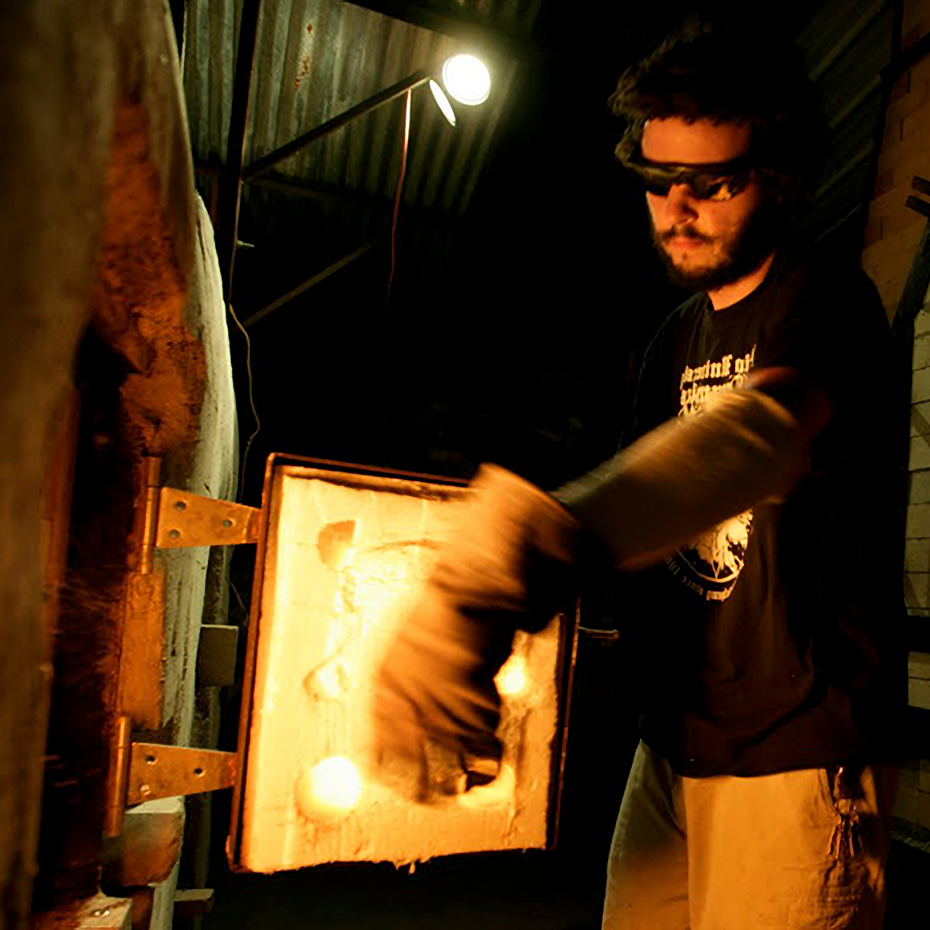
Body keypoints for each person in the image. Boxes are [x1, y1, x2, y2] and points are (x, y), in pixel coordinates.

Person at [374, 25, 906, 930]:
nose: (677, 208)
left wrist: (528, 546)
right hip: (674, 741)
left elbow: (758, 435)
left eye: (711, 183)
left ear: (774, 176)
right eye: (659, 182)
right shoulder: (672, 342)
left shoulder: (826, 301)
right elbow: (649, 528)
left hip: (798, 751)